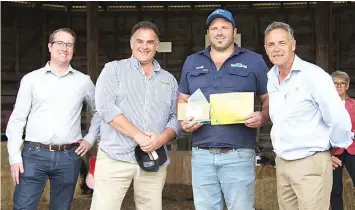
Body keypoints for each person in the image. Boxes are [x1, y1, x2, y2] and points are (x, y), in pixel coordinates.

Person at [178, 9, 269, 210]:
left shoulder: (254, 61)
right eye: (214, 28)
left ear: (234, 31)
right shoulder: (192, 62)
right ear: (208, 32)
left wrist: (262, 116)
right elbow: (182, 100)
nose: (219, 32)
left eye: (224, 27)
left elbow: (268, 98)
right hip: (201, 154)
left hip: (238, 154)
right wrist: (184, 122)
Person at [6, 28, 101, 210]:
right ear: (50, 46)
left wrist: (90, 139)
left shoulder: (83, 81)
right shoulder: (31, 79)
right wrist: (14, 157)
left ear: (73, 49)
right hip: (34, 154)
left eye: (69, 45)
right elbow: (17, 119)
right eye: (60, 43)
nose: (64, 48)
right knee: (24, 207)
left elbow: (100, 112)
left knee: (61, 207)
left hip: (69, 156)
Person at [90, 21, 180, 210]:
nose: (144, 46)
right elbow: (105, 108)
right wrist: (137, 135)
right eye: (139, 41)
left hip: (153, 159)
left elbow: (175, 118)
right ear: (131, 44)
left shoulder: (169, 80)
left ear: (157, 45)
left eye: (150, 42)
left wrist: (161, 138)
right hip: (115, 157)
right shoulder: (113, 70)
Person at [264, 21, 353, 210]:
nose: (276, 49)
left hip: (309, 163)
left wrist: (331, 150)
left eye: (282, 43)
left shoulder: (314, 76)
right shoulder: (271, 78)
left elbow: (338, 118)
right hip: (283, 163)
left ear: (293, 45)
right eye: (271, 44)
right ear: (265, 48)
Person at [330, 71, 355, 210]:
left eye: (342, 83)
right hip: (334, 151)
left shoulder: (354, 104)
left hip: (352, 148)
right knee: (335, 189)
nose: (339, 86)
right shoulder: (327, 106)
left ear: (347, 85)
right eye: (335, 83)